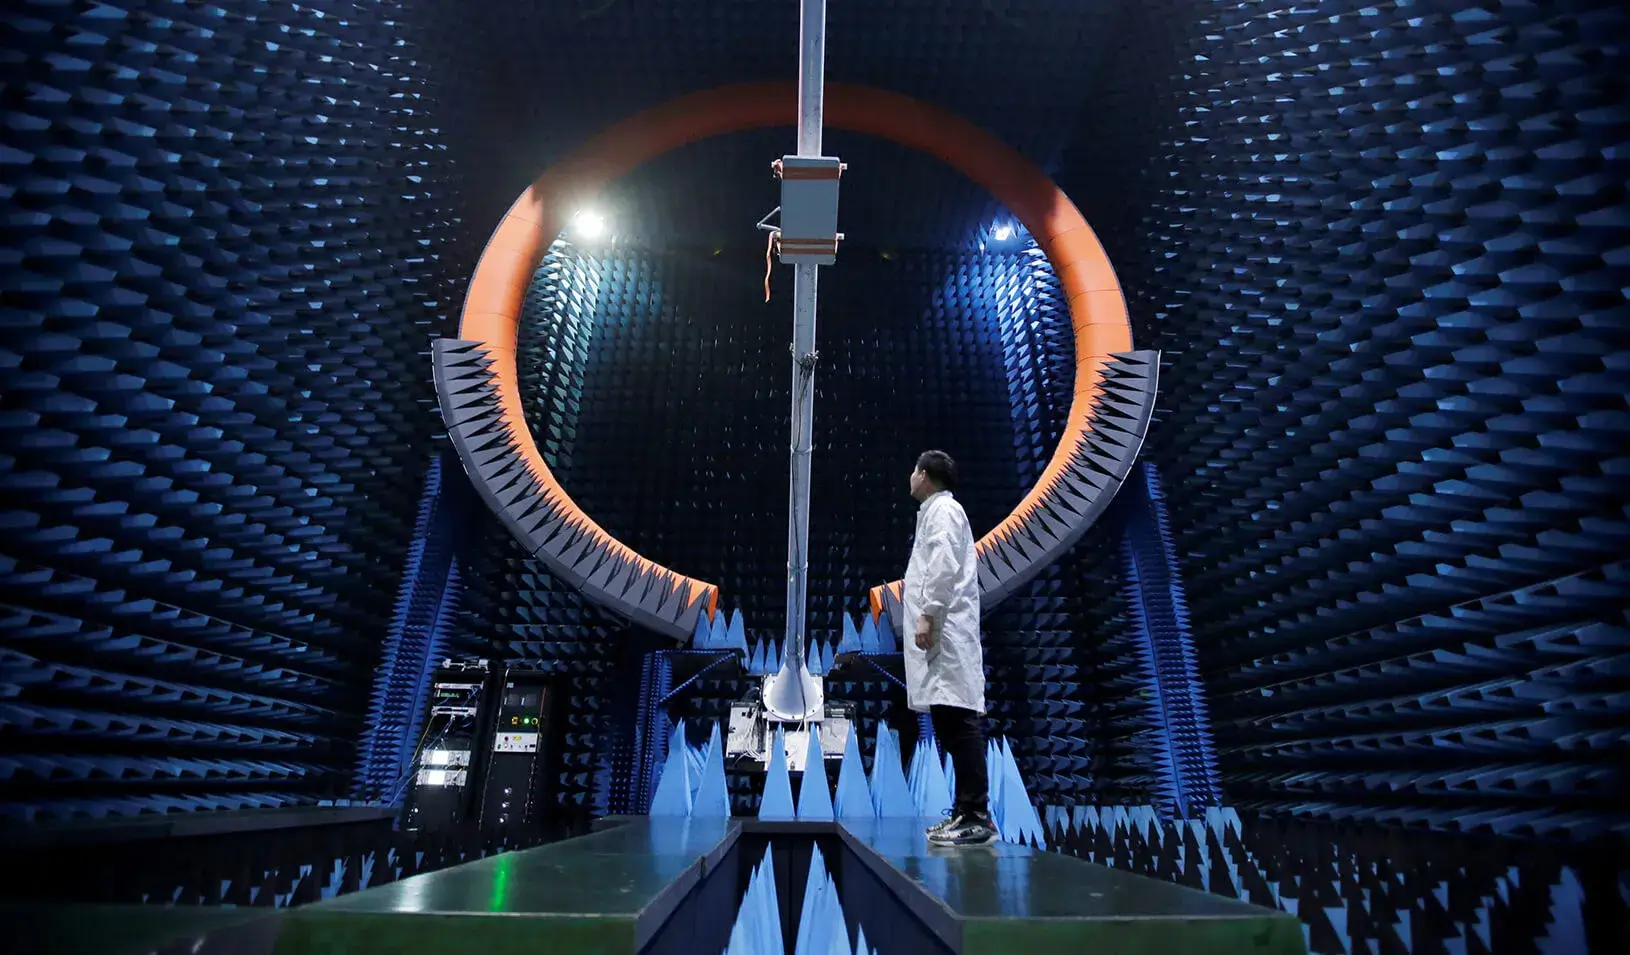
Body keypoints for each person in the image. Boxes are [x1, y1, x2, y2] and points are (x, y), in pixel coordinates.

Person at [901, 450, 996, 847]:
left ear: (924, 475)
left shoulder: (944, 513)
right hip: (942, 635)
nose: (910, 477)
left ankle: (977, 815)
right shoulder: (935, 512)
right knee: (948, 721)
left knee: (959, 721)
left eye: (913, 470)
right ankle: (963, 810)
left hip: (947, 632)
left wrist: (929, 613)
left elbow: (941, 565)